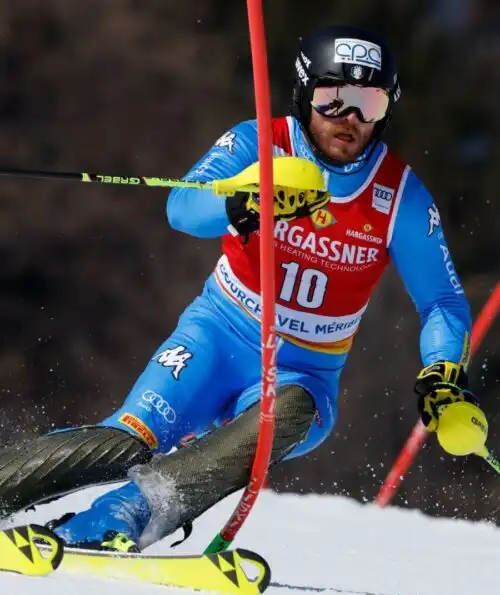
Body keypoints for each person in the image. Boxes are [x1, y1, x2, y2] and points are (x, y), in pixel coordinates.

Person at [0, 25, 473, 553]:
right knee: (127, 440)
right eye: (332, 98)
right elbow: (180, 207)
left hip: (305, 373)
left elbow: (442, 302)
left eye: (369, 102)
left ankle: (116, 520)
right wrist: (243, 203)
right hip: (216, 336)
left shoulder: (400, 197)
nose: (350, 120)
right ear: (303, 95)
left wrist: (443, 373)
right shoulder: (257, 143)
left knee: (280, 417)